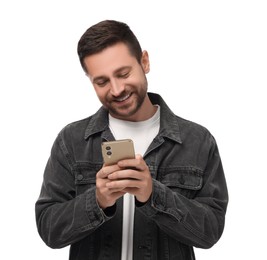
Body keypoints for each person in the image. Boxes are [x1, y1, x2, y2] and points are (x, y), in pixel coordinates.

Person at [35, 20, 228, 260]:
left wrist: (152, 194)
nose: (116, 90)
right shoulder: (71, 140)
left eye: (123, 74)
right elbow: (48, 229)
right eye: (102, 81)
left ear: (144, 62)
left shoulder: (197, 141)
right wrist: (97, 200)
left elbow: (210, 231)